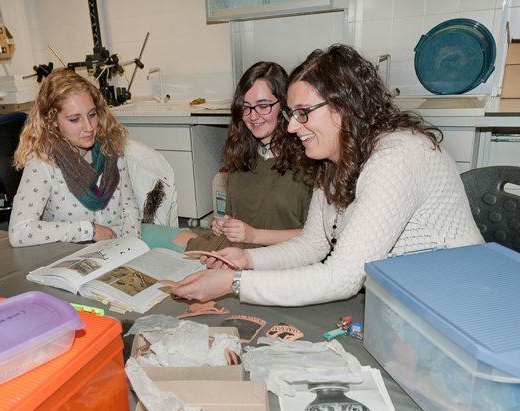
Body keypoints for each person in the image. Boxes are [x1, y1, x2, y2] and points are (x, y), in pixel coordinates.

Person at [171, 44, 484, 306]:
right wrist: (247, 261)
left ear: (345, 106)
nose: (292, 126)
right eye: (292, 114)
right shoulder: (333, 158)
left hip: (456, 305)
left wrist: (235, 282)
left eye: (303, 112)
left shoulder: (398, 157)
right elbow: (312, 244)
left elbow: (342, 277)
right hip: (400, 303)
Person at [183, 61, 312, 252]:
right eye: (246, 107)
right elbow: (232, 215)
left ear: (284, 105)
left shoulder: (308, 161)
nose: (253, 116)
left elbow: (316, 238)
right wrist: (223, 224)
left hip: (284, 260)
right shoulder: (240, 155)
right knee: (176, 240)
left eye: (263, 106)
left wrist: (254, 235)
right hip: (238, 253)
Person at [9, 71, 142, 247]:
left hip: (119, 247)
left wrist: (130, 246)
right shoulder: (43, 163)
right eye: (74, 119)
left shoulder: (110, 149)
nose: (89, 127)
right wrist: (89, 230)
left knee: (186, 240)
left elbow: (129, 207)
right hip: (77, 255)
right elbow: (20, 232)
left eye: (92, 114)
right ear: (52, 120)